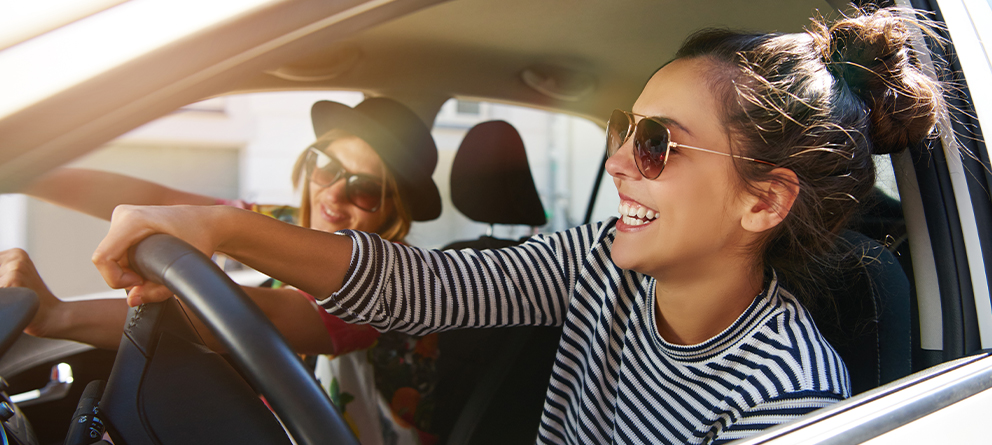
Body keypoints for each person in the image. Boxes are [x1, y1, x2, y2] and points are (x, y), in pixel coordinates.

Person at [89, 7, 948, 444]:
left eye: (658, 144)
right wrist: (214, 226)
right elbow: (422, 287)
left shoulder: (787, 392)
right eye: (622, 128)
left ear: (762, 201)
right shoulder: (598, 264)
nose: (618, 162)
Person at [5, 98, 445, 444]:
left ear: (393, 211)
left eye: (364, 189)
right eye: (326, 166)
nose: (332, 195)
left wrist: (59, 314)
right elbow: (162, 201)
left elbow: (263, 318)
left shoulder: (394, 280)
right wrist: (30, 173)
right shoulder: (285, 222)